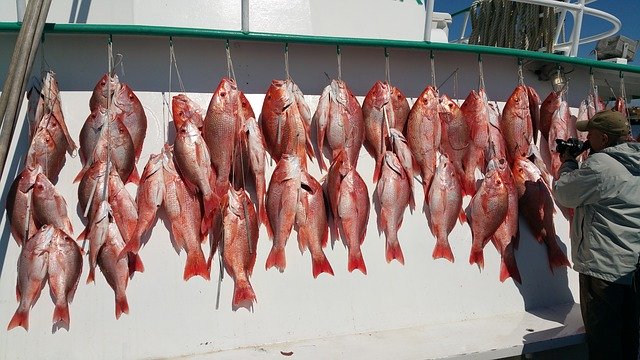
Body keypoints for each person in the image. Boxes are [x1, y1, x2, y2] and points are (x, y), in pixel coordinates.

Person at [553, 109, 640, 359]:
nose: (586, 139)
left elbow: (564, 192)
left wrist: (569, 162)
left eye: (590, 134)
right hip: (632, 268)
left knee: (604, 343)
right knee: (629, 335)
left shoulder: (601, 166)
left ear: (603, 138)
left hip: (603, 269)